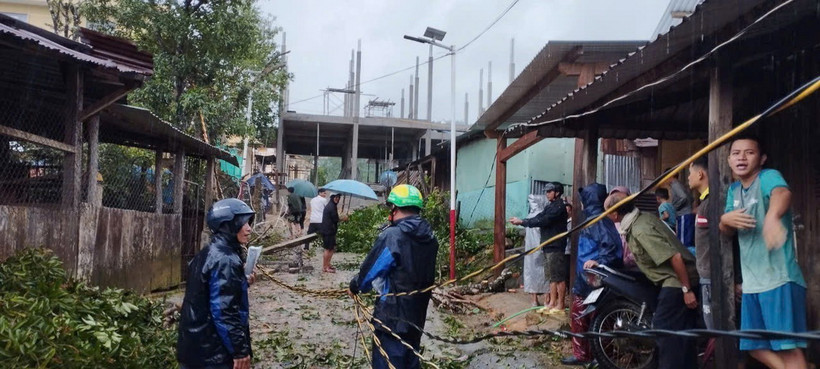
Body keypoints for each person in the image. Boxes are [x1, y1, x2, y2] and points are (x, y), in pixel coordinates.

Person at [718, 136, 807, 368]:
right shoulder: (734, 190)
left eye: (749, 152)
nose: (742, 157)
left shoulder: (768, 177)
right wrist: (724, 219)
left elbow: (782, 194)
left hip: (779, 279)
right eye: (736, 153)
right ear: (728, 160)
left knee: (788, 349)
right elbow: (725, 230)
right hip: (753, 284)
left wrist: (772, 216)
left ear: (762, 158)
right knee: (754, 346)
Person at [605, 191, 699, 369]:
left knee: (664, 332)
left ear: (614, 214)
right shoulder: (639, 221)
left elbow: (676, 257)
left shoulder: (641, 230)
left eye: (606, 212)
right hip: (672, 280)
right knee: (681, 335)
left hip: (676, 281)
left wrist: (687, 290)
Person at [349, 184, 438, 369]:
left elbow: (370, 271)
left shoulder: (393, 236)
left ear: (395, 208)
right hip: (417, 314)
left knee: (389, 362)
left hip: (391, 317)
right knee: (411, 359)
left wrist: (356, 286)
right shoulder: (430, 237)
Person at [177, 198, 255, 369]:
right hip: (213, 353)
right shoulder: (225, 260)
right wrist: (240, 351)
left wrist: (241, 281)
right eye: (243, 223)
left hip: (195, 345)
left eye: (249, 222)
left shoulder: (208, 252)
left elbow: (209, 292)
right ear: (228, 225)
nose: (249, 228)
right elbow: (225, 311)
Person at [562, 183, 623, 366]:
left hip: (594, 279)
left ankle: (594, 356)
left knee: (592, 317)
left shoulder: (598, 220)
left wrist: (600, 262)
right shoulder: (594, 219)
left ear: (588, 201)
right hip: (587, 277)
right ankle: (590, 355)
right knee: (584, 317)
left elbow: (611, 247)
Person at [509, 182, 569, 313]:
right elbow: (539, 217)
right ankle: (552, 302)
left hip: (556, 246)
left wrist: (523, 222)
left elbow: (544, 220)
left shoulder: (559, 207)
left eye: (549, 191)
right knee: (551, 277)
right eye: (546, 192)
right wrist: (523, 221)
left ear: (557, 192)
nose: (547, 194)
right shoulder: (550, 206)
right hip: (547, 245)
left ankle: (561, 304)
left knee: (558, 277)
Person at [522, 194, 549, 306]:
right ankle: (547, 299)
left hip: (530, 251)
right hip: (542, 249)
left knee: (531, 272)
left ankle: (534, 300)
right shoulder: (544, 216)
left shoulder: (529, 217)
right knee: (546, 274)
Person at [319, 193, 341, 273]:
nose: (337, 199)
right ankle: (325, 267)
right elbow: (335, 219)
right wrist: (342, 218)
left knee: (332, 248)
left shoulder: (332, 206)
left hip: (330, 231)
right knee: (328, 249)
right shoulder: (331, 207)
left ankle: (328, 264)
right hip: (328, 231)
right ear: (332, 198)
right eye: (335, 197)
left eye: (338, 197)